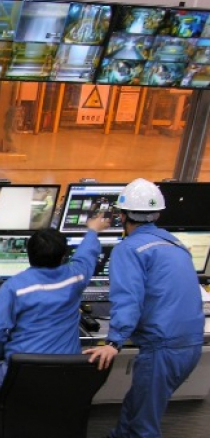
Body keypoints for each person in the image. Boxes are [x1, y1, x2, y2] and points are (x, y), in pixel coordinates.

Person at [0, 215, 110, 438]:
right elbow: (87, 255)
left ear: (28, 255)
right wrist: (92, 231)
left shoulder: (15, 287)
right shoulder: (77, 277)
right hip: (67, 376)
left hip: (19, 375)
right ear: (63, 257)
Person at [84, 178, 204, 438]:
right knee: (137, 404)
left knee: (143, 426)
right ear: (158, 214)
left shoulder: (130, 249)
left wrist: (113, 342)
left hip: (163, 348)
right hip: (191, 345)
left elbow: (128, 298)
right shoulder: (175, 244)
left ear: (123, 215)